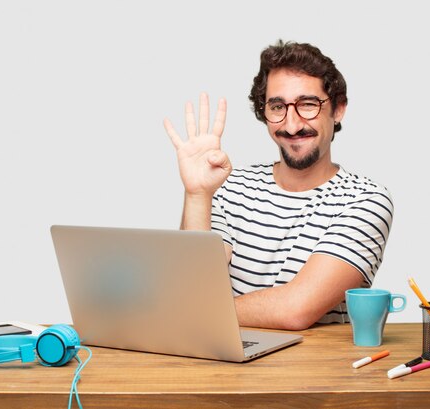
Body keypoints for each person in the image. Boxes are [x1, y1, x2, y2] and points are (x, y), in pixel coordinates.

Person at [163, 40, 393, 330]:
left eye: (308, 105)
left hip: (314, 373)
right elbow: (191, 285)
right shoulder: (228, 186)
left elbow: (296, 309)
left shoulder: (365, 200)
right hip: (226, 368)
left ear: (338, 109)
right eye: (277, 106)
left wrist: (197, 311)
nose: (292, 124)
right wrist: (197, 195)